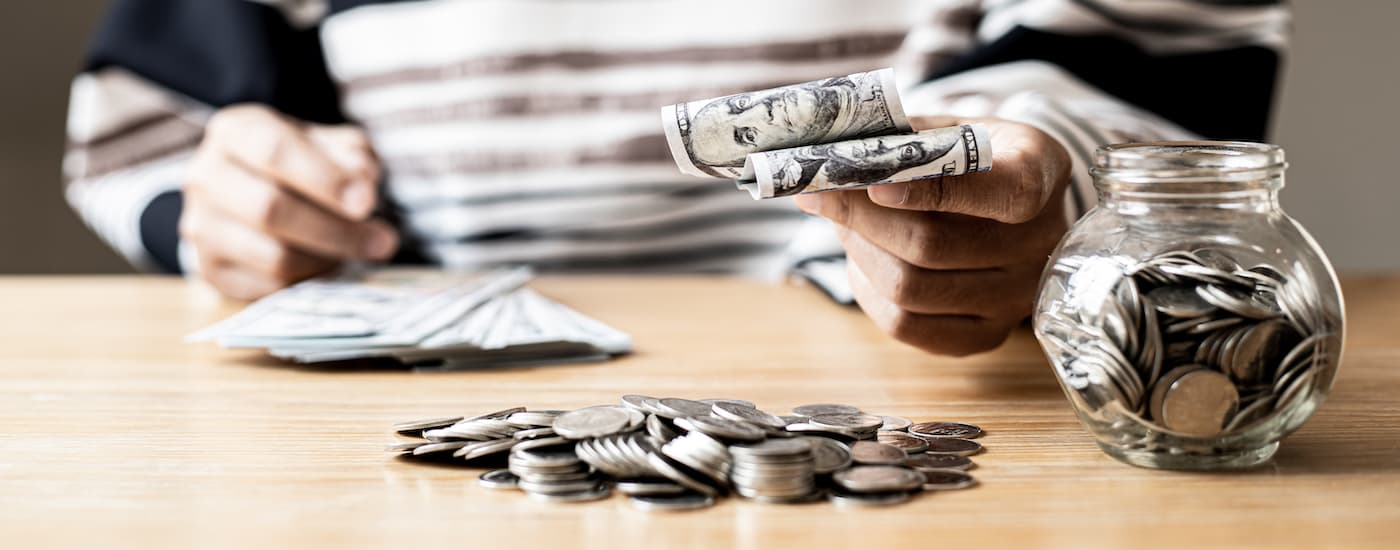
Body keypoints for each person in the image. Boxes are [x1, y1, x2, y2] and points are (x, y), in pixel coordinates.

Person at [64, 0, 1288, 356]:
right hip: (400, 375)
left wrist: (1056, 183)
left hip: (943, 369)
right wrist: (217, 204)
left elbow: (1160, 58)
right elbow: (150, 116)